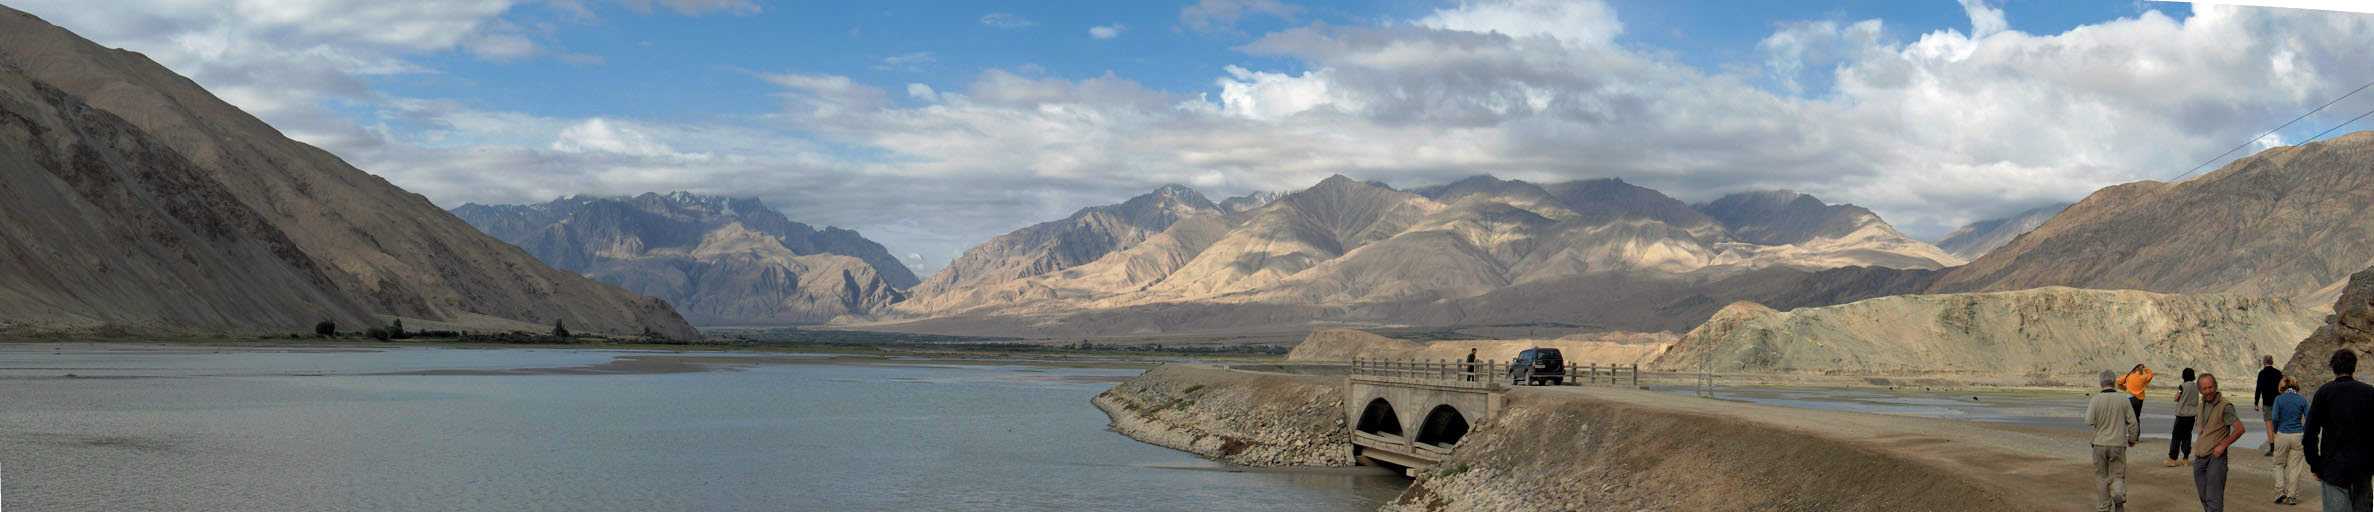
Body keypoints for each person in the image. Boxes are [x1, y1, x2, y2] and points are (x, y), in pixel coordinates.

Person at [2306, 349, 2374, 512]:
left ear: (2333, 368)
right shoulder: (2369, 393)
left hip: (2333, 469)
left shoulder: (2324, 393)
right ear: (2354, 367)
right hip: (2363, 469)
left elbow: (2310, 433)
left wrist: (2315, 464)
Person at [2192, 373, 2245, 512]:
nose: (2208, 391)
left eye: (2210, 387)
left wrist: (2223, 445)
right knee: (2203, 496)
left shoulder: (2225, 406)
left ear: (2215, 386)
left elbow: (2240, 429)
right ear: (2200, 390)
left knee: (2214, 498)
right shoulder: (2202, 404)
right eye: (2204, 388)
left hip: (2216, 457)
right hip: (2200, 456)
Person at [2090, 369, 2142, 512]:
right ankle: (2118, 493)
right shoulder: (2124, 399)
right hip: (2118, 444)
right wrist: (2132, 439)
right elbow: (2133, 422)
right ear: (2114, 382)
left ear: (2101, 383)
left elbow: (2088, 420)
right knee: (2117, 474)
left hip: (2099, 443)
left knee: (2101, 476)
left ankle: (2104, 506)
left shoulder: (2095, 399)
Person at [2272, 376, 2308, 506]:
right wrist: (2303, 430)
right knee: (2295, 468)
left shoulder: (2279, 399)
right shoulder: (2302, 399)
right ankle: (2291, 495)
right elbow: (2309, 418)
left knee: (2279, 464)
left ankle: (2279, 492)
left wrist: (2276, 430)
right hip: (2298, 435)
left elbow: (2275, 417)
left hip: (2282, 434)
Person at [2169, 368, 2201, 467]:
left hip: (2182, 415)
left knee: (2176, 437)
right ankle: (2185, 459)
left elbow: (2176, 398)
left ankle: (2173, 459)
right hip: (2191, 416)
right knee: (2187, 436)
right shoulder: (2197, 387)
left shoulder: (2182, 386)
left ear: (2184, 376)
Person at [2259, 355, 2287, 456]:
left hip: (2267, 403)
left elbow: (2259, 388)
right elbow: (2283, 387)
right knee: (2279, 425)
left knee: (2269, 426)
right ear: (2272, 362)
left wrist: (2256, 402)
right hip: (2278, 402)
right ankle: (2281, 448)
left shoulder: (2262, 373)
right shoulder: (2278, 373)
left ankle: (2272, 449)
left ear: (2264, 362)